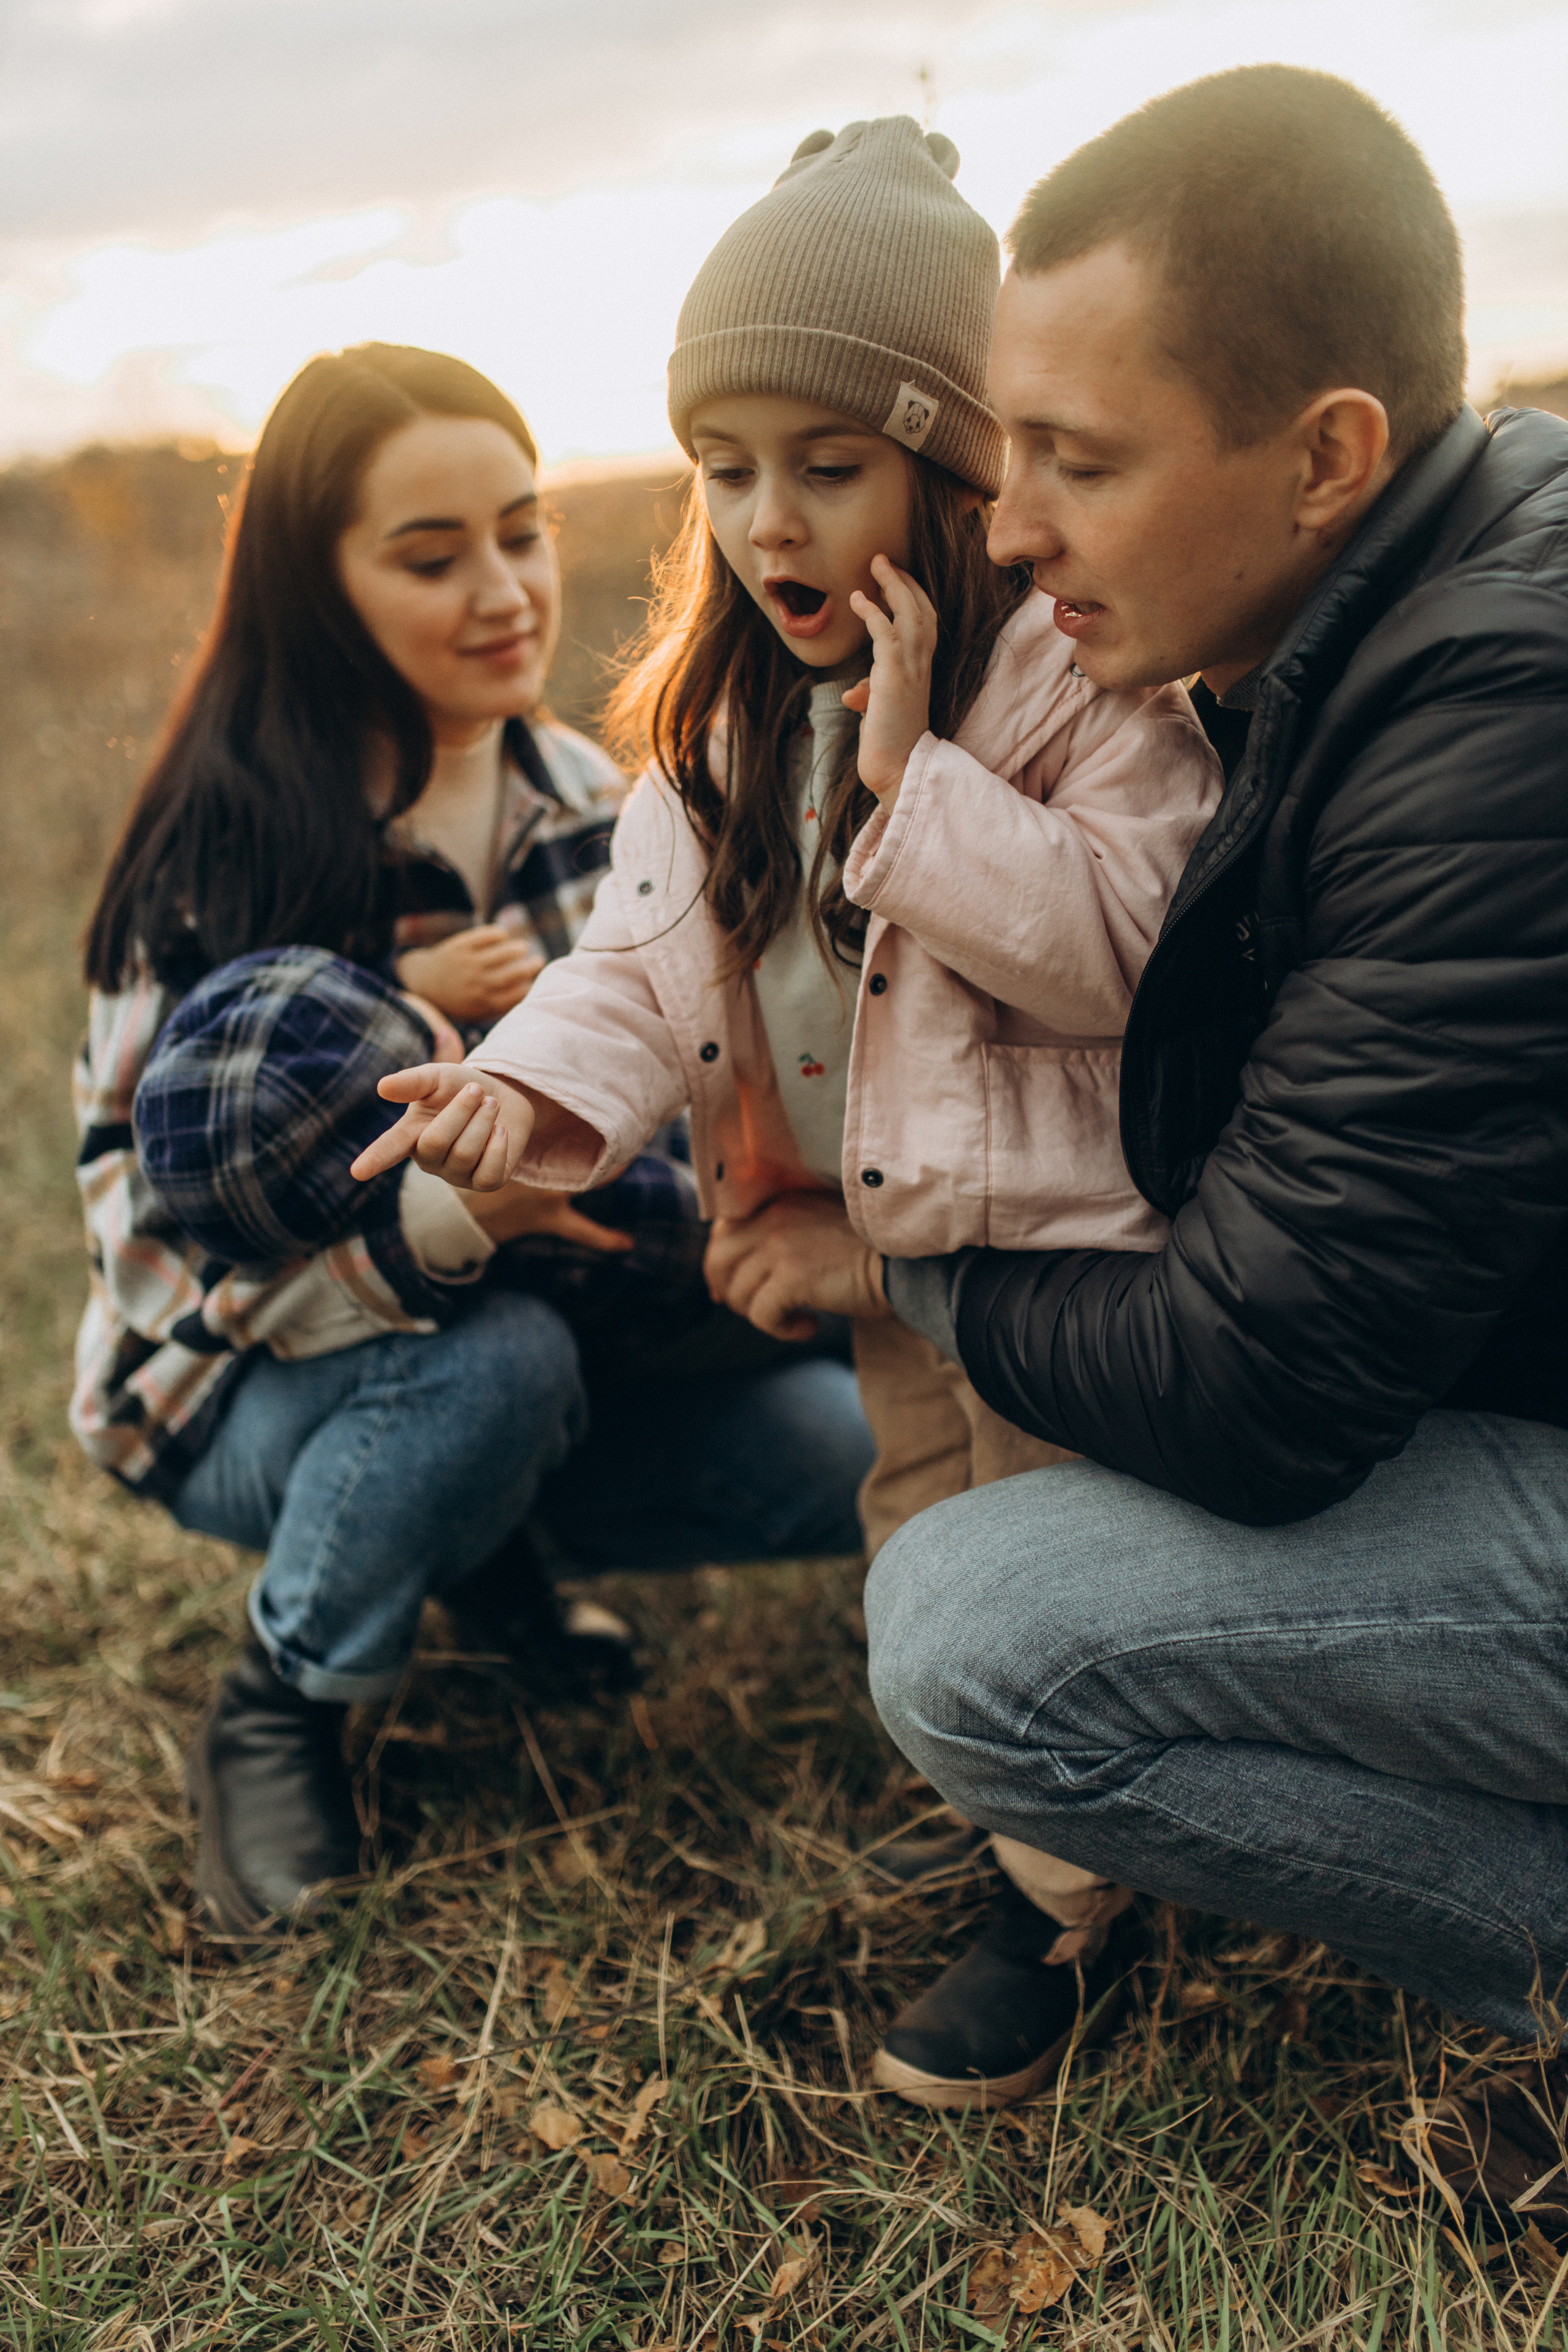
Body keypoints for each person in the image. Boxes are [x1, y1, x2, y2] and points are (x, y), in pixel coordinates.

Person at [352, 119, 1218, 2077]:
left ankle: (1068, 1914)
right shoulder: (722, 720)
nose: (770, 522)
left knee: (1044, 1560)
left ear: (956, 464)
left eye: (828, 469)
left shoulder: (1085, 689)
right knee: (914, 1523)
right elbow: (641, 973)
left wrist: (920, 782)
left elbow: (1126, 957)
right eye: (726, 472)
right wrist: (526, 1097)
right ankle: (1015, 1819)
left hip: (1067, 1265)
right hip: (888, 1261)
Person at [830, 56, 1568, 2192]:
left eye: (1079, 459)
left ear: (1330, 452)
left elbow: (1258, 1391)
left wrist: (911, 1260)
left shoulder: (1499, 723)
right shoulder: (1370, 628)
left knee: (976, 1637)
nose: (1012, 524)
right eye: (1004, 452)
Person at [74, 341, 873, 1937]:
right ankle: (284, 1699)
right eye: (433, 558)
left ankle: (478, 1546)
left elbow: (693, 1113)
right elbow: (159, 1263)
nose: (506, 589)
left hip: (587, 1340)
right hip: (258, 1396)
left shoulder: (597, 796)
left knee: (847, 1438)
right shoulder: (218, 851)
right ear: (321, 587)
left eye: (524, 529)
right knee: (490, 1364)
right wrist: (459, 1224)